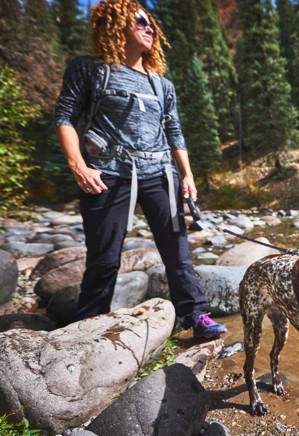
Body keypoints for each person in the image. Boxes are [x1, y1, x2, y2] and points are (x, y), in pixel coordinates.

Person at [55, 0, 226, 339]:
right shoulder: (89, 69)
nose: (150, 29)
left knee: (178, 253)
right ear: (115, 25)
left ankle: (196, 316)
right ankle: (86, 328)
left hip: (160, 172)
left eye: (152, 25)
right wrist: (78, 166)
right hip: (108, 173)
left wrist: (187, 176)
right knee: (104, 259)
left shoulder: (162, 85)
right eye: (140, 22)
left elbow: (174, 131)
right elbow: (65, 116)